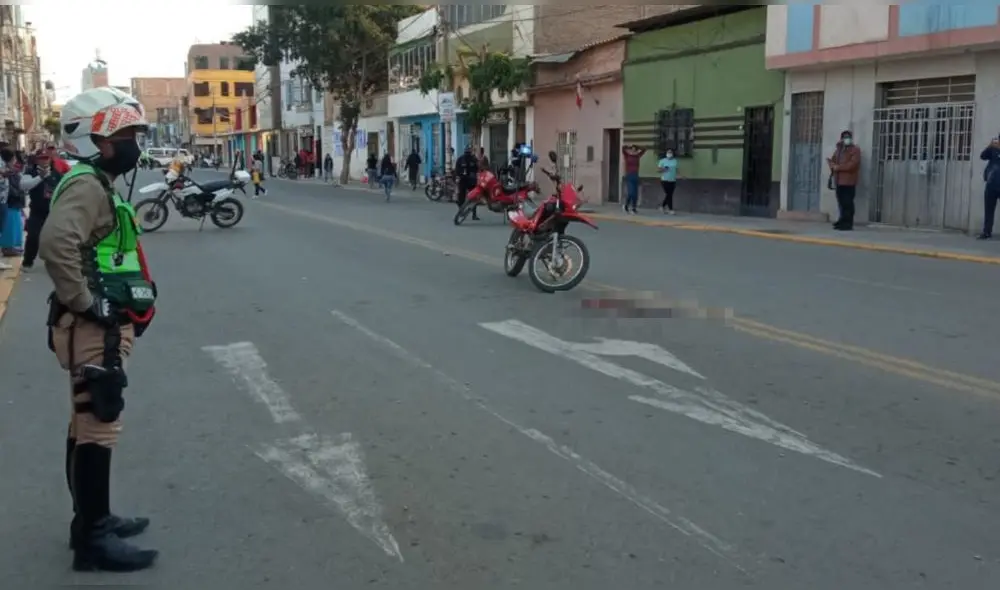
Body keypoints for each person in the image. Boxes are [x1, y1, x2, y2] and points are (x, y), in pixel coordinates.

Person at [38, 86, 159, 573]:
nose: (133, 142)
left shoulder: (93, 181)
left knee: (84, 422)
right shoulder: (88, 184)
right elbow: (55, 243)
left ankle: (93, 520)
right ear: (97, 139)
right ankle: (92, 540)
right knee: (97, 426)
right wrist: (89, 303)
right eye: (125, 133)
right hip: (93, 328)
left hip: (97, 326)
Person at [21, 149, 63, 270]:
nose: (44, 161)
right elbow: (23, 186)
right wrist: (40, 177)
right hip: (36, 212)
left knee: (55, 239)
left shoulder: (56, 174)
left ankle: (55, 263)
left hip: (53, 212)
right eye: (41, 158)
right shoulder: (30, 172)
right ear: (36, 160)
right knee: (33, 237)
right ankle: (27, 262)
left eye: (47, 158)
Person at [827, 130, 861, 231]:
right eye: (845, 137)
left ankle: (848, 223)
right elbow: (833, 160)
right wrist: (831, 164)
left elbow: (852, 165)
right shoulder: (839, 150)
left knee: (847, 203)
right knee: (841, 202)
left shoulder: (855, 150)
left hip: (849, 181)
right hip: (839, 181)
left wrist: (838, 168)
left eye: (848, 137)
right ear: (841, 139)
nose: (847, 139)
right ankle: (841, 220)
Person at [0, 147, 24, 256]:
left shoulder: (7, 169)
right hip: (6, 202)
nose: (15, 161)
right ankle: (7, 248)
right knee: (6, 227)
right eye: (13, 159)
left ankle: (10, 247)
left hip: (7, 201)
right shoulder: (3, 169)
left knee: (9, 226)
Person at [454, 146, 480, 221]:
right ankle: (465, 212)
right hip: (466, 181)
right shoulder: (463, 159)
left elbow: (478, 169)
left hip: (469, 181)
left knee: (469, 197)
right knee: (464, 197)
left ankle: (471, 214)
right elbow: (457, 170)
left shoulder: (471, 159)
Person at [622, 144, 646, 214]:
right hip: (629, 175)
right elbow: (623, 148)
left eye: (634, 149)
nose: (633, 151)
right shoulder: (627, 155)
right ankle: (626, 205)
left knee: (635, 194)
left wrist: (638, 147)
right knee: (631, 193)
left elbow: (644, 149)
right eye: (631, 149)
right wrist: (628, 147)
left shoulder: (637, 156)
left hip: (636, 176)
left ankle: (633, 208)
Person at [657, 149, 678, 215]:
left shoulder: (675, 161)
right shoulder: (662, 161)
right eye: (668, 152)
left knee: (669, 194)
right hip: (665, 180)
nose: (669, 153)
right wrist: (664, 169)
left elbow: (676, 169)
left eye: (671, 152)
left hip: (673, 180)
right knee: (669, 194)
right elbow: (658, 170)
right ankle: (671, 209)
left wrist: (681, 175)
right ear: (666, 153)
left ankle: (662, 206)